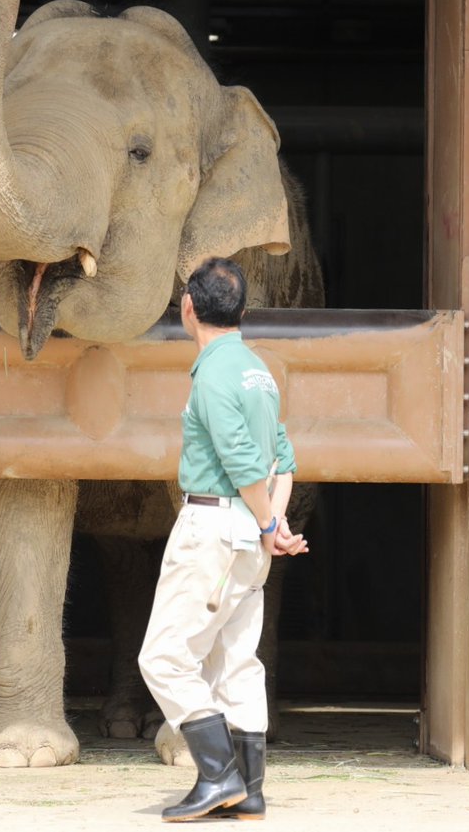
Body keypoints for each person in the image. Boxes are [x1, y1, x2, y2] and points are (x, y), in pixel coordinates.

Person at [139, 256, 308, 823]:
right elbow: (282, 458)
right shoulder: (259, 370)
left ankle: (217, 775)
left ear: (188, 307)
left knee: (163, 658)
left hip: (213, 527)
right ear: (242, 310)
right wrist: (275, 526)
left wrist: (265, 524)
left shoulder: (212, 372)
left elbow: (241, 461)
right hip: (249, 537)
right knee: (237, 660)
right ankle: (250, 791)